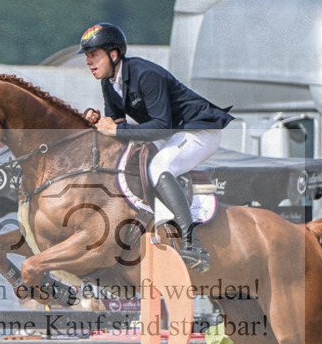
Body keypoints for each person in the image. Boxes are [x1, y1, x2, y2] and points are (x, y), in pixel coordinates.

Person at [77, 23, 233, 272]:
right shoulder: (109, 83)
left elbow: (161, 127)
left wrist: (117, 130)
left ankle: (193, 245)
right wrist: (96, 123)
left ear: (114, 54)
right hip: (173, 130)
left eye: (94, 54)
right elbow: (119, 127)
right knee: (131, 158)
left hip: (199, 129)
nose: (88, 61)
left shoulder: (144, 74)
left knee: (160, 166)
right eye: (87, 56)